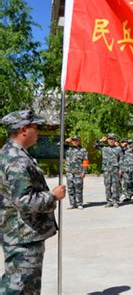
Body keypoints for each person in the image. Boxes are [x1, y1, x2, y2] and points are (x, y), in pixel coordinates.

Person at [0, 110, 66, 294]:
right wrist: (53, 196)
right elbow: (24, 201)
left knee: (20, 284)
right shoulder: (17, 160)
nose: (38, 131)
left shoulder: (11, 153)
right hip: (23, 236)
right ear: (23, 130)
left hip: (19, 233)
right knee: (20, 288)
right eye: (35, 127)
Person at [94, 133, 122, 207]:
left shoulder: (118, 148)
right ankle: (109, 201)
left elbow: (121, 159)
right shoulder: (104, 148)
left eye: (112, 139)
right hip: (106, 170)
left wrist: (120, 169)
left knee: (115, 186)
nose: (111, 140)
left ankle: (115, 201)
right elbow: (95, 145)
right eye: (109, 139)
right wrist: (100, 140)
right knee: (107, 186)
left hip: (115, 169)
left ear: (115, 140)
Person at [64, 135, 88, 209]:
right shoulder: (67, 148)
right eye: (73, 140)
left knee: (78, 188)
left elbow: (85, 161)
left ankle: (79, 203)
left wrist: (84, 171)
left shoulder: (83, 150)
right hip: (69, 172)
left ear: (79, 141)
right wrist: (66, 141)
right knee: (70, 188)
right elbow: (59, 145)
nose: (75, 141)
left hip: (78, 172)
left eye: (76, 140)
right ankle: (72, 204)